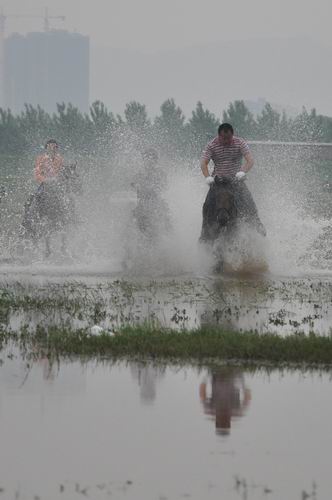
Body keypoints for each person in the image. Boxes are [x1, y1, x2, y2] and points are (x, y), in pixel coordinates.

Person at [200, 123, 266, 240]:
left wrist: (243, 171)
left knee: (248, 199)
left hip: (235, 181)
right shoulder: (211, 145)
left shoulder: (239, 143)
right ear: (219, 135)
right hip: (218, 183)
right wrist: (207, 177)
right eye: (223, 138)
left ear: (232, 135)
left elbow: (250, 160)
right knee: (207, 205)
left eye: (228, 138)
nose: (226, 140)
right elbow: (203, 163)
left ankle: (257, 223)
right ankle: (204, 232)